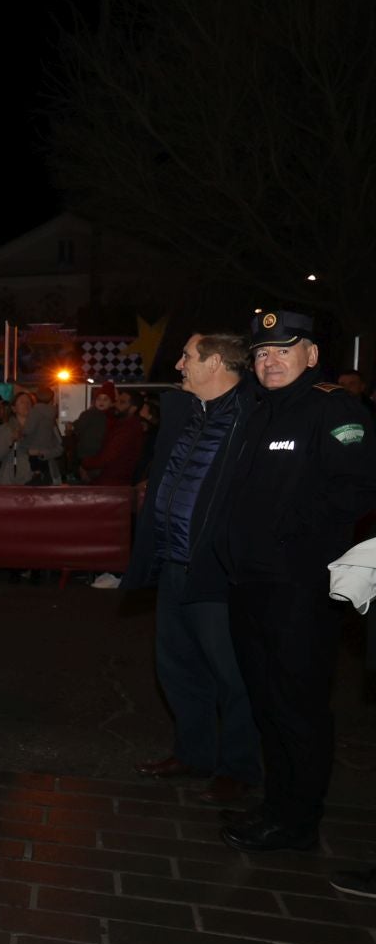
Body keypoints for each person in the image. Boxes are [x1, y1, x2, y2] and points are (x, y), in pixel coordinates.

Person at [217, 309, 376, 852]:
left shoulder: (333, 407)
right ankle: (278, 805)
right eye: (262, 353)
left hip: (298, 589)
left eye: (283, 350)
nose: (270, 361)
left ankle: (298, 820)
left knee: (298, 707)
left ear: (311, 355)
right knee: (266, 702)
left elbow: (353, 491)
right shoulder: (258, 412)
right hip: (250, 585)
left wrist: (291, 544)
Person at [124, 333, 259, 805]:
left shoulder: (253, 417)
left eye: (187, 356)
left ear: (216, 362)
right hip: (173, 564)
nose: (179, 365)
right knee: (178, 668)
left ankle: (240, 767)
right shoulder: (183, 413)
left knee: (233, 673)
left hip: (218, 573)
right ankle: (194, 753)